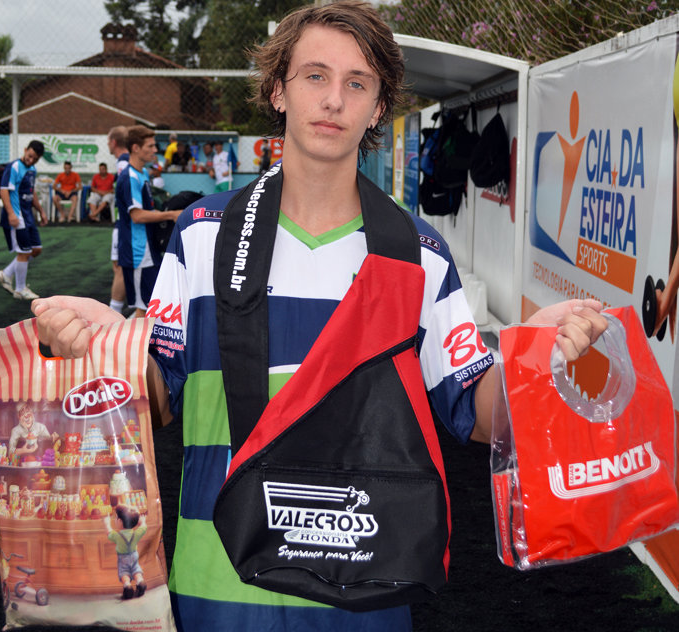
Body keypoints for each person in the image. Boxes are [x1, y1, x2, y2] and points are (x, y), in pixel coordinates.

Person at [32, 3, 606, 631]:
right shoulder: (203, 236)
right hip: (221, 586)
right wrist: (102, 345)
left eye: (357, 83)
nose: (334, 99)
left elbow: (474, 413)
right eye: (314, 76)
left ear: (379, 106)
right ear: (278, 89)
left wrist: (535, 353)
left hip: (368, 589)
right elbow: (158, 398)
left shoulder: (419, 254)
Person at [115, 125, 183, 318]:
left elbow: (147, 209)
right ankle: (129, 346)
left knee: (151, 304)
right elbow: (137, 216)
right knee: (145, 308)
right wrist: (170, 215)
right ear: (136, 148)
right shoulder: (129, 177)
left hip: (147, 248)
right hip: (138, 253)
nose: (155, 150)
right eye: (151, 146)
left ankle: (136, 343)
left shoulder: (142, 173)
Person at [0, 140, 48, 300]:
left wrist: (41, 211)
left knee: (36, 249)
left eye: (35, 159)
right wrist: (11, 214)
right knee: (24, 252)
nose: (31, 160)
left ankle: (7, 273)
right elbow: (4, 191)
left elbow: (32, 193)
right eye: (30, 156)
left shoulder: (32, 169)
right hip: (17, 217)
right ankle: (20, 290)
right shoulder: (14, 167)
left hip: (28, 216)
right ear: (25, 150)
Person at [107, 126, 130, 316]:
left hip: (124, 223)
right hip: (126, 222)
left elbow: (126, 188)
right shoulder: (128, 160)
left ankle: (113, 313)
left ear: (114, 142)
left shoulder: (123, 162)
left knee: (119, 268)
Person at [104, 505, 148, 600]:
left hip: (123, 558)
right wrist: (142, 522)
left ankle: (127, 586)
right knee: (136, 569)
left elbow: (109, 532)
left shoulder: (117, 536)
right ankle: (140, 581)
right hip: (134, 555)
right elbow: (144, 528)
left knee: (124, 572)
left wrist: (107, 523)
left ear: (119, 521)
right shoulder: (136, 533)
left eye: (116, 518)